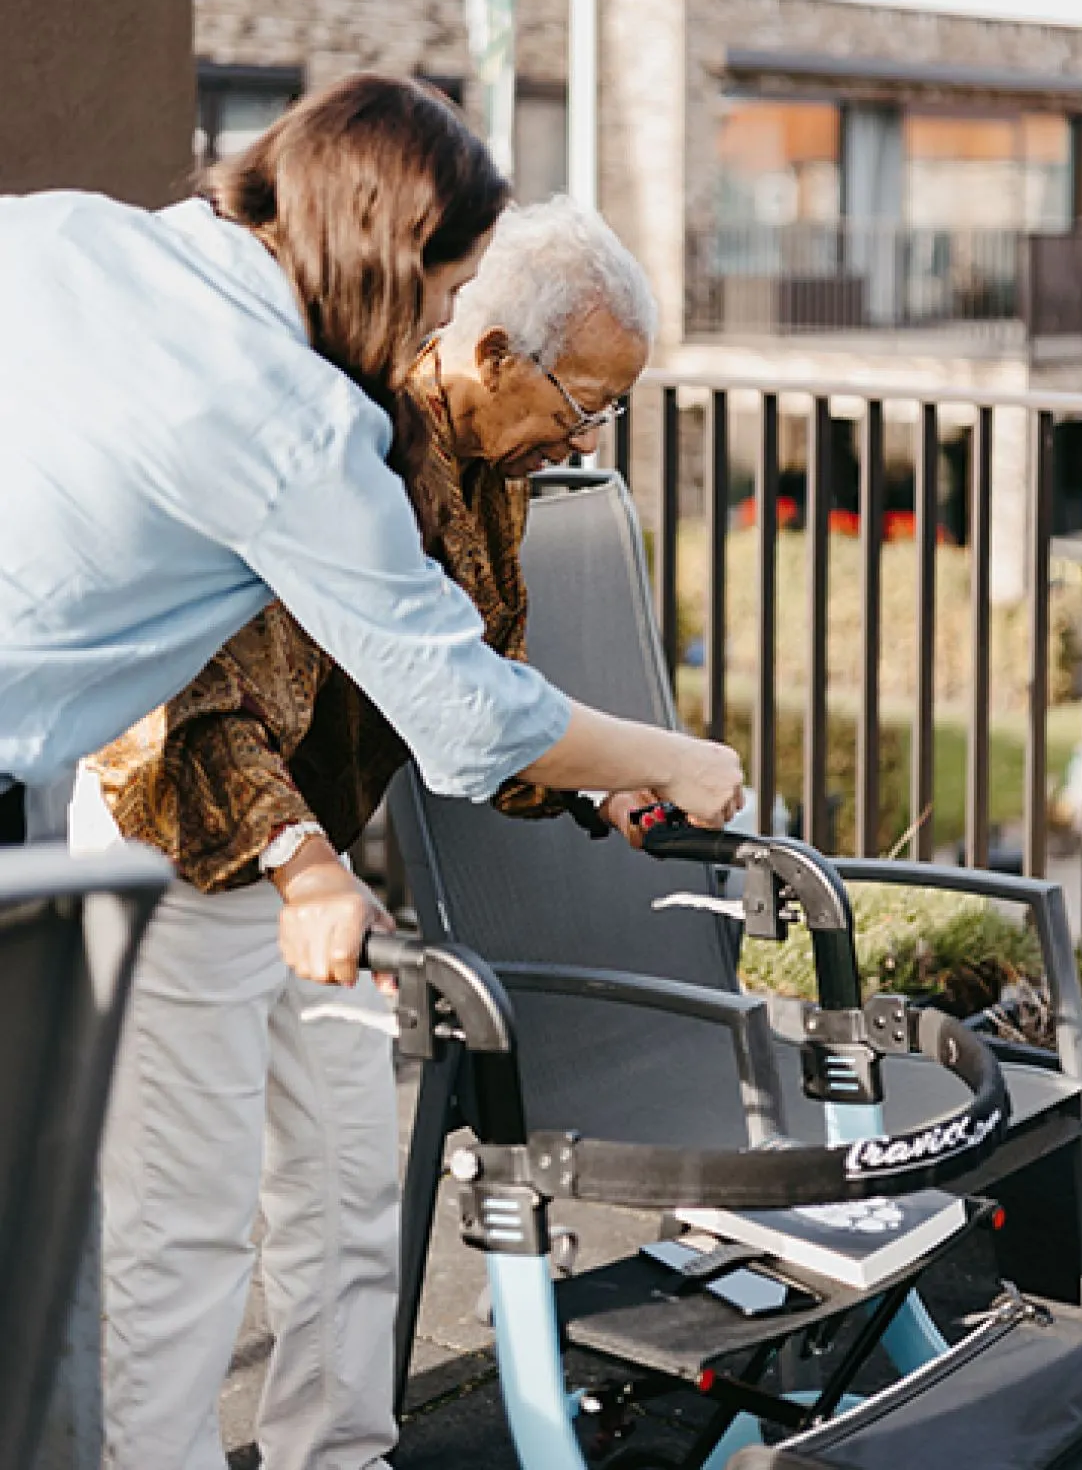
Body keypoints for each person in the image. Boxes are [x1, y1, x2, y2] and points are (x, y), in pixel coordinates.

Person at [72, 197, 666, 1470]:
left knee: (345, 1195)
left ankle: (335, 1456)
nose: (588, 433)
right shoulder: (328, 423)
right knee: (186, 1224)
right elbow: (191, 700)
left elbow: (468, 691)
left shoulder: (484, 462)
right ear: (494, 348)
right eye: (586, 400)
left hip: (312, 870)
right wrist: (307, 865)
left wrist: (592, 781)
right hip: (178, 838)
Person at [0, 75, 743, 881]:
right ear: (392, 257)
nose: (441, 321)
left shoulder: (63, 228)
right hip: (179, 841)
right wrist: (674, 760)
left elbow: (478, 667)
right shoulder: (301, 424)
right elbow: (463, 710)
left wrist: (603, 779)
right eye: (451, 288)